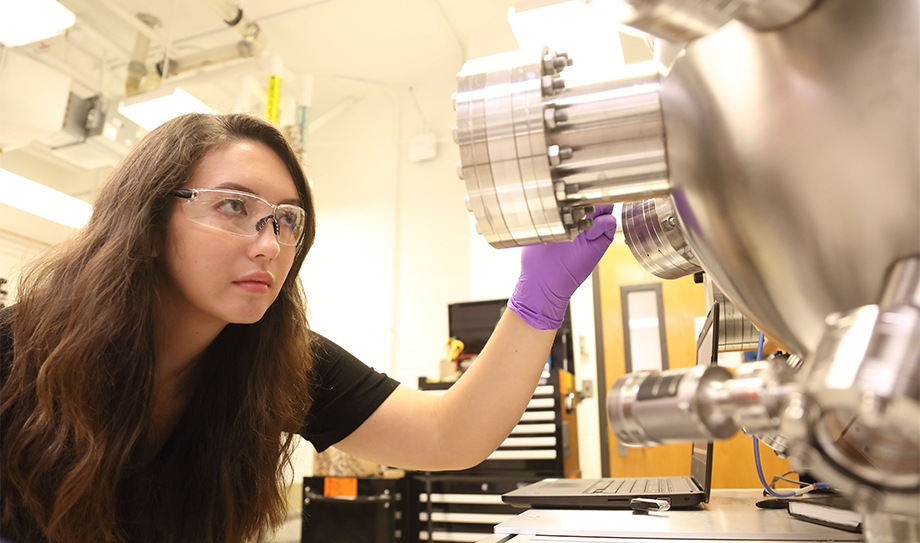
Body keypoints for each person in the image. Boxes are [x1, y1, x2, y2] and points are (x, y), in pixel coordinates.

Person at [0, 113, 617, 543]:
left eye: (286, 221)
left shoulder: (276, 358)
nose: (269, 245)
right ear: (150, 219)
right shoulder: (18, 351)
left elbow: (446, 436)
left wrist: (539, 300)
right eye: (235, 207)